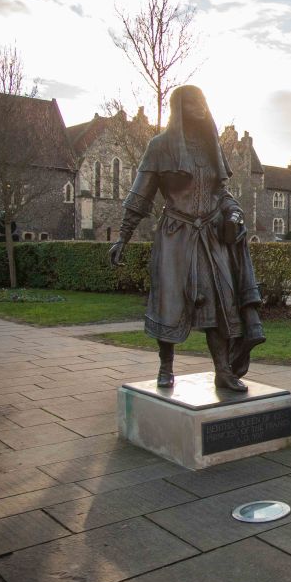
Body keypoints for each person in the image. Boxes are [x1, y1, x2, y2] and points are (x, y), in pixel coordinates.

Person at [109, 85, 264, 392]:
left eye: (203, 102)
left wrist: (232, 211)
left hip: (210, 235)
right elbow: (140, 195)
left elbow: (221, 190)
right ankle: (166, 367)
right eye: (193, 103)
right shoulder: (159, 146)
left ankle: (222, 369)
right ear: (178, 107)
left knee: (220, 300)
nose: (201, 107)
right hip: (175, 235)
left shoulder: (211, 147)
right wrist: (123, 237)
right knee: (171, 299)